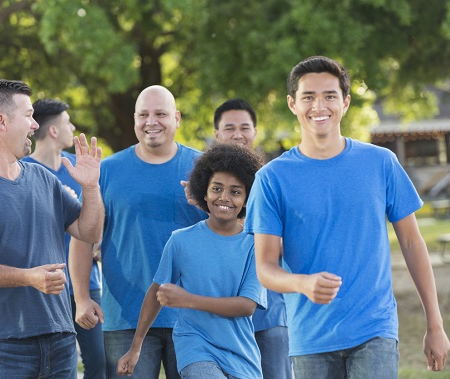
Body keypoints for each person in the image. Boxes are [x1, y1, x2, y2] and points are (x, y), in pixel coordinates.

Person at [245, 55, 450, 378]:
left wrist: (434, 324)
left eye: (329, 96)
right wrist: (303, 283)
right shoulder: (272, 179)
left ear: (346, 102)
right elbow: (266, 268)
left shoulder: (381, 163)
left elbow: (411, 243)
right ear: (292, 104)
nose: (319, 106)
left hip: (375, 330)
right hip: (310, 339)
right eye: (308, 97)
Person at [0, 79, 104, 378]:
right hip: (0, 344)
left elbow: (89, 232)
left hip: (60, 336)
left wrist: (91, 187)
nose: (34, 125)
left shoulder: (43, 178)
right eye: (28, 115)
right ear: (2, 121)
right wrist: (28, 277)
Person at [69, 85, 207, 379]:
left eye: (160, 113)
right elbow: (82, 238)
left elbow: (230, 231)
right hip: (125, 316)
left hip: (193, 314)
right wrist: (81, 296)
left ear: (177, 118)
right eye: (143, 114)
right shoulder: (106, 171)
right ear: (134, 119)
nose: (151, 121)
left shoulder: (203, 169)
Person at [117, 143, 266, 378]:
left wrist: (188, 300)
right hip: (195, 348)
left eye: (235, 192)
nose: (224, 197)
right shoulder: (180, 241)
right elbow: (156, 293)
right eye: (217, 189)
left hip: (241, 355)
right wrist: (136, 347)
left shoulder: (255, 245)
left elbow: (246, 306)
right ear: (203, 191)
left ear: (247, 198)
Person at [23, 98, 106, 379]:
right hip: (45, 285)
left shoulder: (81, 167)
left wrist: (100, 242)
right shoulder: (21, 171)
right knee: (57, 364)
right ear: (54, 131)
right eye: (67, 122)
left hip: (86, 283)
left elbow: (97, 218)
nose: (73, 127)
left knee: (99, 362)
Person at [214, 98, 292, 379]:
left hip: (269, 314)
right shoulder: (203, 186)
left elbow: (288, 242)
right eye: (229, 128)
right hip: (219, 317)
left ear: (255, 132)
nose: (237, 134)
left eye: (244, 127)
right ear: (217, 135)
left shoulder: (275, 179)